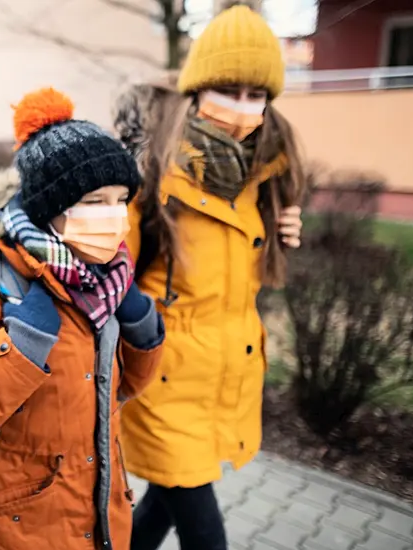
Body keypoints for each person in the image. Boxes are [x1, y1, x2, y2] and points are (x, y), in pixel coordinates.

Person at [0, 87, 165, 550]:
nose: (114, 218)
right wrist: (24, 346)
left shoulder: (105, 282)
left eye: (121, 200)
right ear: (49, 207)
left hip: (102, 516)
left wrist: (142, 328)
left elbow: (120, 389)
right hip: (15, 530)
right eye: (94, 201)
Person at [112, 6, 306, 550]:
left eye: (255, 94)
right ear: (196, 91)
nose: (242, 109)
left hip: (225, 379)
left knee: (161, 505)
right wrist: (145, 328)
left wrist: (280, 232)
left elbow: (240, 284)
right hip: (161, 380)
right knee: (205, 533)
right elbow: (110, 272)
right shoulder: (152, 171)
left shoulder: (261, 174)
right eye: (227, 90)